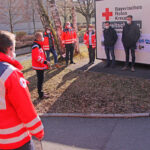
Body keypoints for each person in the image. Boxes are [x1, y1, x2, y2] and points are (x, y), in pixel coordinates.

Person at [0, 30, 44, 150]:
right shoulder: (9, 73)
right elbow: (24, 107)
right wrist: (38, 130)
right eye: (14, 49)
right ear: (9, 49)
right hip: (15, 140)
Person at [32, 32, 50, 99]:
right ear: (39, 38)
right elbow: (37, 58)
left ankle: (41, 92)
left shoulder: (39, 45)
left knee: (41, 80)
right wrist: (45, 62)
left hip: (40, 65)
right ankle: (41, 94)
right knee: (40, 80)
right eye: (42, 36)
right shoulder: (36, 46)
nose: (43, 38)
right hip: (38, 66)